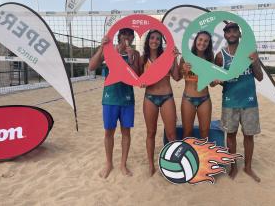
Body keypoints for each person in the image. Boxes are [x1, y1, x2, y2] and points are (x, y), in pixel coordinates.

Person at [213, 22, 263, 182]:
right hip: (230, 101)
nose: (232, 33)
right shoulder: (220, 56)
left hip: (249, 101)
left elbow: (260, 77)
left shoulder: (250, 52)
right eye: (229, 31)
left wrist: (254, 60)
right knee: (231, 135)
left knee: (249, 136)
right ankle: (233, 166)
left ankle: (248, 167)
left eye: (235, 31)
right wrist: (217, 80)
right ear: (225, 35)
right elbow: (212, 81)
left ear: (239, 34)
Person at [89, 28, 140, 178]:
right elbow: (91, 67)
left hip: (127, 98)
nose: (127, 39)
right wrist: (101, 47)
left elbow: (137, 76)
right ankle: (109, 163)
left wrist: (131, 59)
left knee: (126, 132)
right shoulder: (109, 50)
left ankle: (123, 164)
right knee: (109, 132)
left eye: (130, 36)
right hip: (110, 98)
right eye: (124, 35)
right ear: (119, 37)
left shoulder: (135, 53)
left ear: (132, 38)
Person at [139, 29, 180, 176]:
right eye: (152, 38)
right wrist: (140, 82)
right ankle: (151, 165)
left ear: (161, 41)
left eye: (157, 38)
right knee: (151, 132)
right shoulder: (142, 59)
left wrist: (174, 58)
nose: (154, 41)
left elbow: (176, 77)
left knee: (171, 134)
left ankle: (173, 163)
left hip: (166, 97)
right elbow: (136, 78)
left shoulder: (166, 57)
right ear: (148, 40)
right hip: (150, 98)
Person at [179, 31, 214, 139]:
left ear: (209, 44)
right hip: (188, 98)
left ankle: (203, 156)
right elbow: (179, 76)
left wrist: (217, 80)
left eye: (206, 41)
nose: (202, 43)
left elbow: (212, 83)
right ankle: (190, 156)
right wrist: (184, 69)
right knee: (187, 132)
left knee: (204, 132)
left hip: (204, 99)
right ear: (195, 41)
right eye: (200, 40)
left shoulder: (209, 58)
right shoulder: (185, 57)